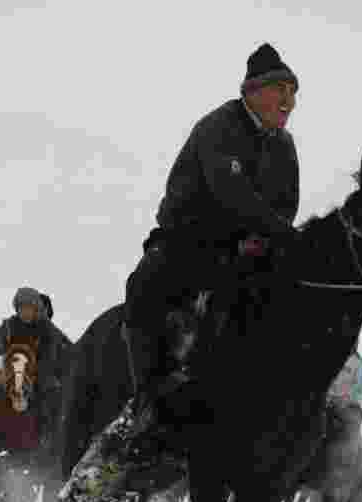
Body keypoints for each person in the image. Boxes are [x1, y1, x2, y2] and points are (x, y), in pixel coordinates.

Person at [123, 42, 301, 412]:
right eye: (280, 90)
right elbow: (231, 194)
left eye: (293, 92)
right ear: (252, 91)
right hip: (190, 239)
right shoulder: (219, 126)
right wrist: (263, 234)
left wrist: (272, 238)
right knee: (142, 286)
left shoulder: (285, 144)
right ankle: (146, 398)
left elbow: (287, 204)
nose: (290, 101)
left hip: (253, 245)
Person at [0, 286, 72, 449]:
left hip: (38, 372)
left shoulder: (46, 327)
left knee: (53, 391)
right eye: (21, 308)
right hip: (9, 373)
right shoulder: (10, 324)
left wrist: (74, 352)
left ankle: (53, 436)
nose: (25, 312)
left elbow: (65, 343)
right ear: (17, 309)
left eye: (29, 308)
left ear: (36, 309)